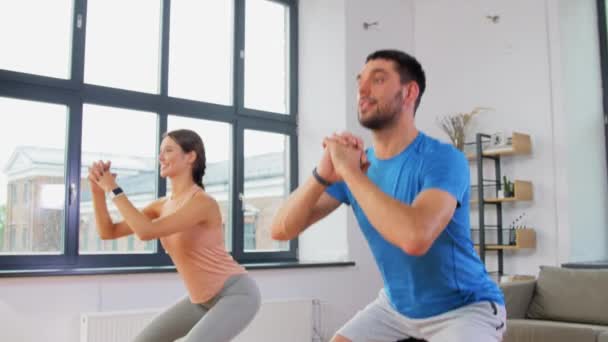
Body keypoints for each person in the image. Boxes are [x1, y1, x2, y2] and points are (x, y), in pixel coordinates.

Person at [270, 50, 506, 342]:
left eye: (378, 79)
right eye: (360, 81)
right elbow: (280, 229)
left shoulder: (444, 160)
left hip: (466, 308)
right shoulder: (355, 169)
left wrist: (350, 172)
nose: (362, 89)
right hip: (395, 309)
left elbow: (415, 237)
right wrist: (322, 175)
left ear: (409, 92)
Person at [88, 129, 260, 342]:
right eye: (160, 151)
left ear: (191, 156)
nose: (160, 157)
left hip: (235, 294)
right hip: (200, 300)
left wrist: (114, 189)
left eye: (168, 150)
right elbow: (108, 232)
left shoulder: (202, 203)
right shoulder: (161, 205)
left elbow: (146, 232)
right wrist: (98, 192)